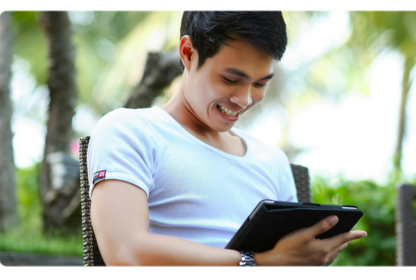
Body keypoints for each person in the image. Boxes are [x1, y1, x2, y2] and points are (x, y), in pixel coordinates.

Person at [88, 8, 367, 269]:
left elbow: (287, 258)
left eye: (260, 84)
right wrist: (257, 262)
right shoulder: (131, 131)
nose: (244, 99)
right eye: (231, 79)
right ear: (187, 53)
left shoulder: (271, 160)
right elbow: (125, 254)